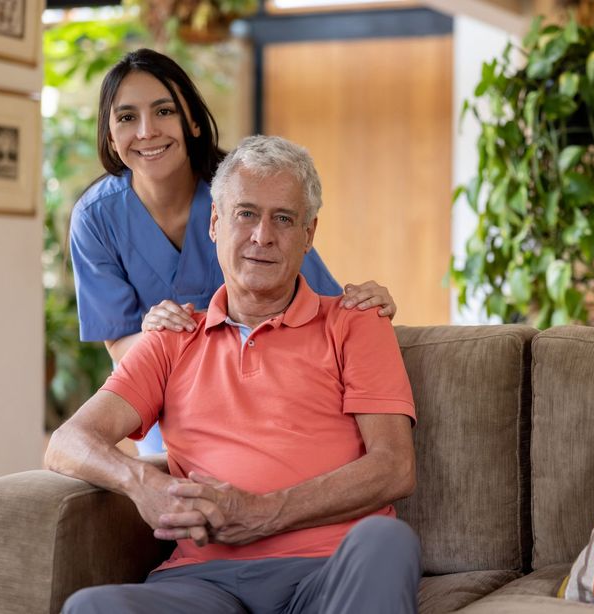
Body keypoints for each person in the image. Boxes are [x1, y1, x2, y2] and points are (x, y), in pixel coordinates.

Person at [46, 135, 421, 613]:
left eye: (283, 218)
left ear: (309, 234)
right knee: (92, 608)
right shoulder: (172, 337)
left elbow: (394, 467)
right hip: (203, 583)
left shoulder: (355, 323)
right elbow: (67, 442)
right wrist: (142, 483)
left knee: (387, 542)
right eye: (245, 213)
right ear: (216, 224)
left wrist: (265, 513)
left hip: (327, 572)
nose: (262, 236)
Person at [69, 48, 397, 454]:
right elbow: (119, 344)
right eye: (126, 117)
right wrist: (159, 336)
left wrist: (370, 307)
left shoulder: (242, 193)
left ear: (191, 120)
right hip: (167, 384)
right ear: (109, 134)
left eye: (164, 111)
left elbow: (323, 302)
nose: (147, 131)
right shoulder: (95, 218)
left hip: (267, 372)